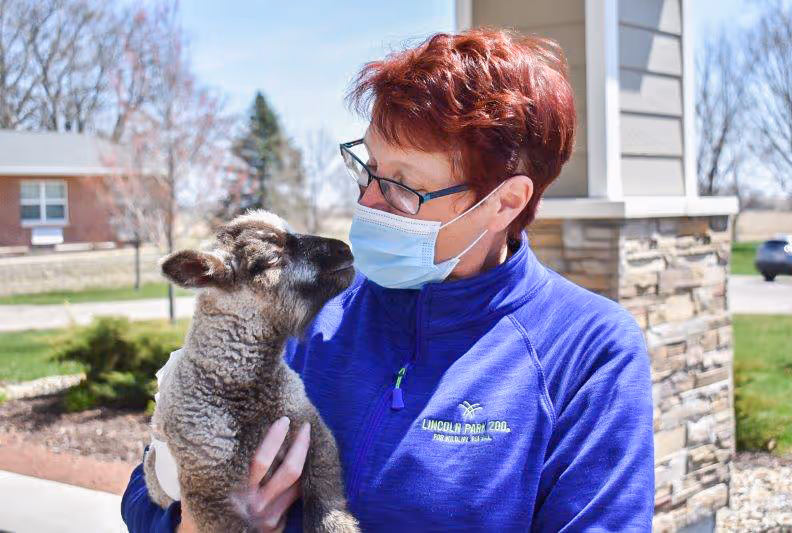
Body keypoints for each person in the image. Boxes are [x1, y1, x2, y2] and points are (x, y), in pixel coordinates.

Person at [121, 27, 655, 532]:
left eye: (404, 186)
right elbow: (147, 491)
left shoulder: (588, 351)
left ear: (504, 203)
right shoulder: (308, 315)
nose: (367, 201)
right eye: (370, 168)